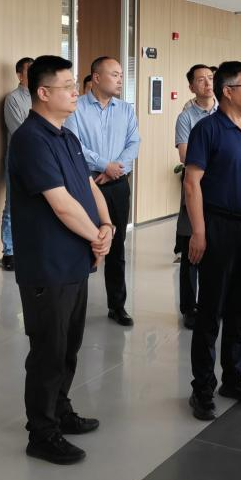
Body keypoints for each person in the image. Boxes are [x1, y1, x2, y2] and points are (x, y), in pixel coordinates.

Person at [9, 55, 112, 465]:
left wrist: (107, 224)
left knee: (69, 346)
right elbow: (61, 204)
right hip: (47, 264)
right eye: (68, 86)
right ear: (43, 92)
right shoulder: (30, 139)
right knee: (48, 352)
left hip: (75, 259)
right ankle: (42, 433)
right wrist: (97, 237)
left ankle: (60, 409)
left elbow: (88, 185)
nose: (75, 92)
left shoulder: (66, 136)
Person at [185, 60, 241, 421]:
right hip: (219, 226)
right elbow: (192, 182)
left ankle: (233, 376)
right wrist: (199, 232)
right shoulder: (207, 129)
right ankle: (202, 387)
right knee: (211, 310)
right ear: (228, 92)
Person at [66, 56, 140, 326]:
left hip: (117, 185)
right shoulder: (76, 108)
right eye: (115, 74)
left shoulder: (126, 109)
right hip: (87, 183)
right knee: (81, 243)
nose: (120, 79)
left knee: (116, 246)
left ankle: (117, 306)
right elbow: (74, 144)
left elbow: (134, 143)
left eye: (121, 74)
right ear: (96, 78)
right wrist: (104, 165)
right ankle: (73, 306)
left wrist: (114, 169)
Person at [174, 64, 217, 330]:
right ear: (191, 86)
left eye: (210, 78)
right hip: (196, 186)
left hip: (221, 190)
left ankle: (213, 303)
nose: (207, 83)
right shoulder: (186, 117)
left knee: (217, 249)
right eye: (200, 80)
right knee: (192, 248)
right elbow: (185, 155)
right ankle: (189, 307)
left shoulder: (226, 111)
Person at [1, 56, 33, 271]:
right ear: (20, 75)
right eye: (29, 72)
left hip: (41, 159)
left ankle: (30, 248)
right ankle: (9, 252)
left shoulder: (43, 96)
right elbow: (21, 132)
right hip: (19, 159)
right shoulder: (13, 99)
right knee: (12, 206)